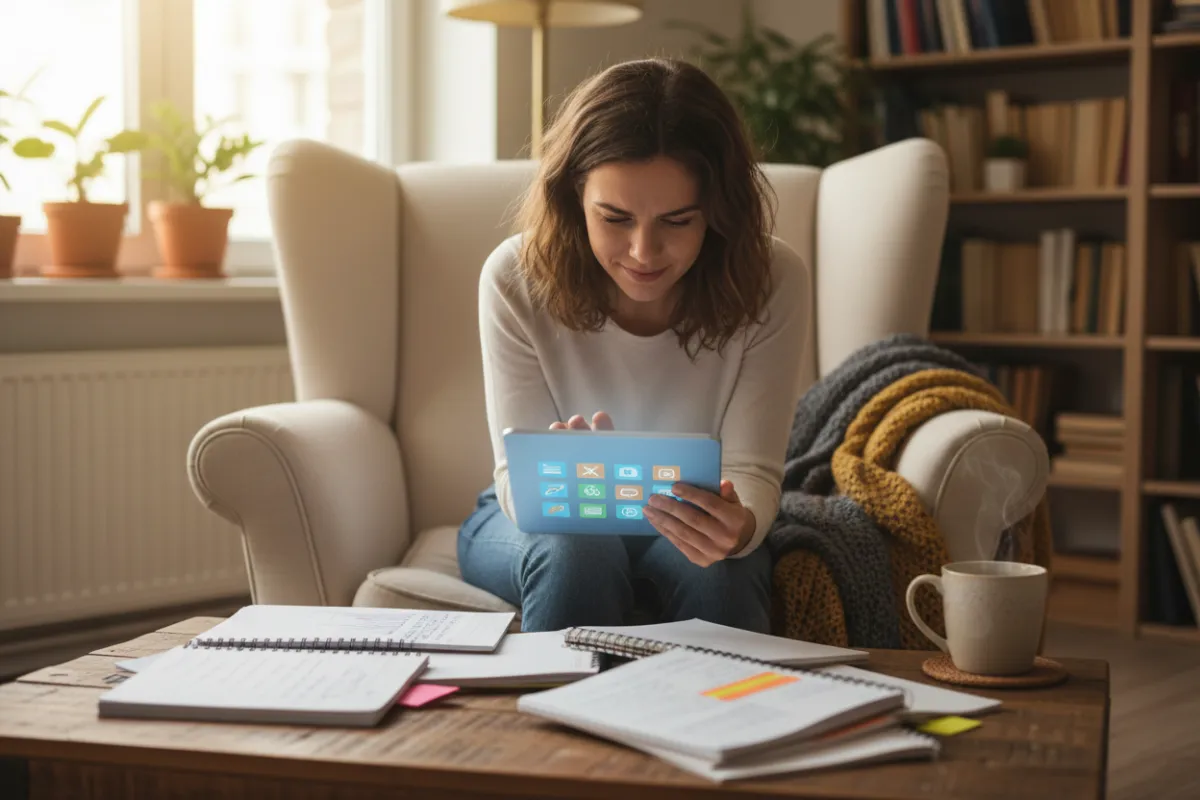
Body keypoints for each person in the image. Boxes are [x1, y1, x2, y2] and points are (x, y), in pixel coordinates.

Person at [457, 56, 809, 634]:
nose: (644, 253)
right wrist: (569, 486)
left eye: (678, 221)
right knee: (577, 551)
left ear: (717, 213)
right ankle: (559, 721)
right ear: (574, 198)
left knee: (719, 567)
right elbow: (516, 485)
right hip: (530, 521)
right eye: (615, 218)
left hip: (687, 518)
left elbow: (751, 471)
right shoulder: (513, 278)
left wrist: (737, 528)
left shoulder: (771, 278)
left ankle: (726, 723)